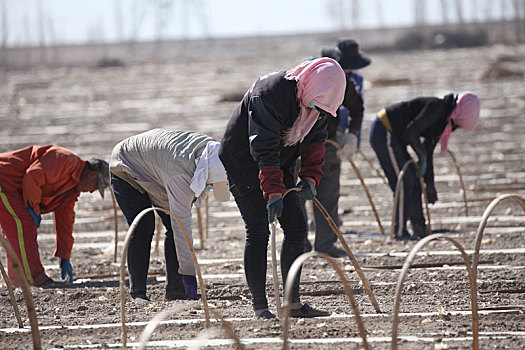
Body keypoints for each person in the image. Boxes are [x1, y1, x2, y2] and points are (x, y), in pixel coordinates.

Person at [219, 57, 346, 319]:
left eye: (322, 109)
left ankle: (292, 303)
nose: (317, 112)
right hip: (244, 159)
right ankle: (260, 307)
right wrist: (273, 191)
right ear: (311, 85)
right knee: (258, 229)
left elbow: (316, 142)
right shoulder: (269, 93)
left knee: (297, 226)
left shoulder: (319, 104)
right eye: (316, 105)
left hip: (280, 158)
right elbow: (263, 148)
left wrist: (310, 177)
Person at [109, 128, 230, 302]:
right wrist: (189, 272)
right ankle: (138, 293)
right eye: (210, 185)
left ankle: (175, 290)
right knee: (144, 227)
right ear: (203, 175)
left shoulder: (213, 153)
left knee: (173, 228)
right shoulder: (181, 174)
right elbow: (182, 226)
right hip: (126, 164)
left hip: (157, 168)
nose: (209, 188)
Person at [369, 92, 480, 239]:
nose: (453, 129)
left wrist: (429, 183)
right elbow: (412, 131)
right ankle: (399, 232)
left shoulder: (442, 121)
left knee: (415, 181)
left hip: (395, 137)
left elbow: (428, 152)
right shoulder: (436, 109)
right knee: (404, 182)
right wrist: (421, 156)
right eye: (456, 125)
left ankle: (419, 229)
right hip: (384, 130)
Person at [0, 145, 109, 287]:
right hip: (5, 179)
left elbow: (65, 221)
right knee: (24, 226)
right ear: (92, 175)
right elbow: (33, 175)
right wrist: (33, 207)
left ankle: (17, 281)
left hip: (13, 189)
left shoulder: (72, 190)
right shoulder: (65, 160)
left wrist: (65, 256)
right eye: (96, 186)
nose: (91, 191)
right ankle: (34, 278)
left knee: (18, 231)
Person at [304, 38, 371, 257]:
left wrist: (352, 135)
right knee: (296, 195)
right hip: (298, 145)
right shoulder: (307, 77)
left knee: (328, 194)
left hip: (328, 144)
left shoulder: (346, 82)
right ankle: (299, 244)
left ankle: (326, 244)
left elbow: (357, 107)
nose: (351, 72)